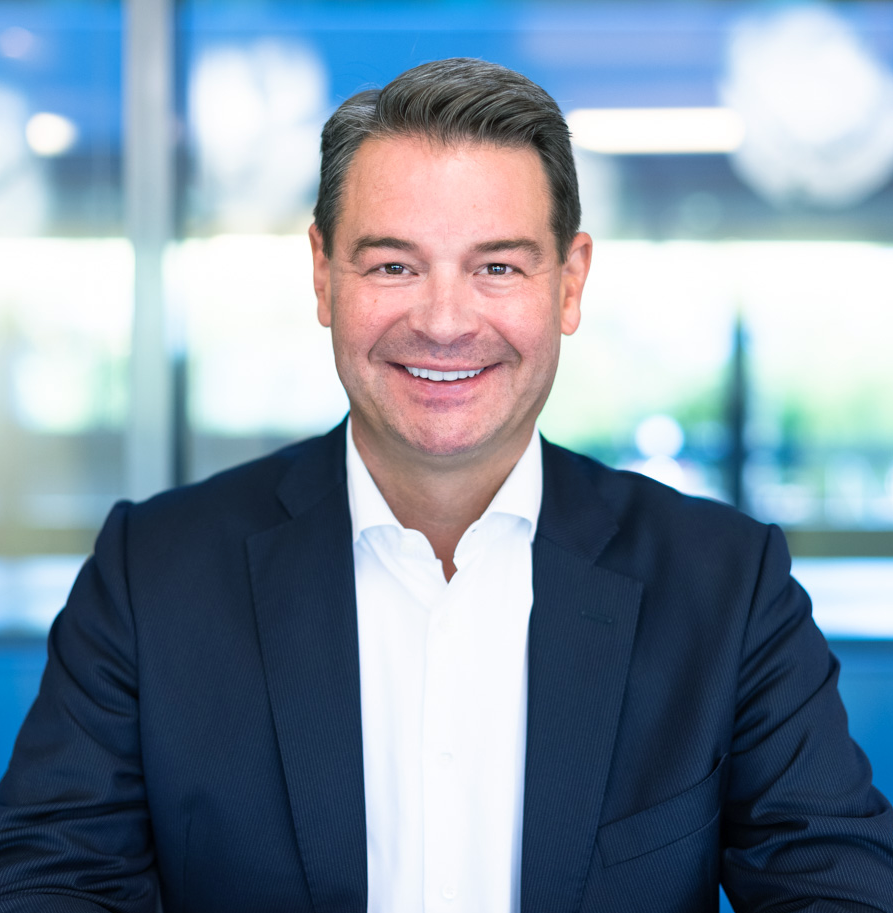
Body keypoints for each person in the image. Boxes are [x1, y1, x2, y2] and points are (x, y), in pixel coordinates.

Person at [1, 57, 891, 913]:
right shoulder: (150, 575)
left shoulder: (724, 584)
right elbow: (50, 879)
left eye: (496, 266)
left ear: (568, 283)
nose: (443, 320)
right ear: (322, 274)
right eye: (393, 265)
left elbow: (836, 882)